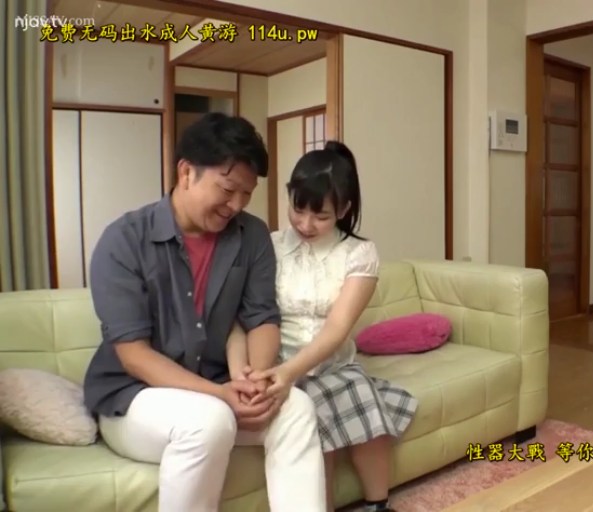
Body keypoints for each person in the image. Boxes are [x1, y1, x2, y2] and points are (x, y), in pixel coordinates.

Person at [82, 112, 326, 512]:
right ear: (186, 172)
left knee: (296, 407)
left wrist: (254, 382)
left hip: (219, 388)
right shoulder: (124, 240)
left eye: (247, 194)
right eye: (228, 189)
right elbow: (134, 355)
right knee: (209, 420)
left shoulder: (252, 235)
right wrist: (220, 395)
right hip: (134, 399)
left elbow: (261, 317)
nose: (236, 204)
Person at [228, 141, 417, 512]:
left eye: (321, 216)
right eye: (297, 209)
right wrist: (258, 371)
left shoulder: (359, 253)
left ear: (343, 210)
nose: (305, 224)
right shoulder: (270, 245)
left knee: (356, 394)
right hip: (274, 363)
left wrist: (290, 373)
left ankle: (378, 505)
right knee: (309, 417)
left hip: (331, 365)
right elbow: (245, 315)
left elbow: (337, 329)